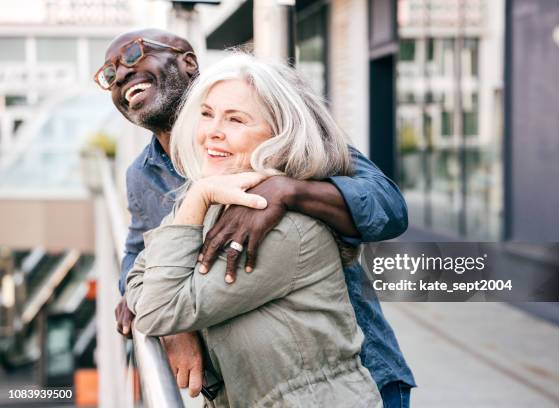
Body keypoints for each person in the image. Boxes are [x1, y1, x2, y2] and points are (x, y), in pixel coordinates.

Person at [96, 28, 415, 406]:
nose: (121, 74)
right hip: (248, 386)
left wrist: (287, 190)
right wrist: (171, 328)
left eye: (133, 55)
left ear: (188, 62)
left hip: (353, 372)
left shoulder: (283, 131)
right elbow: (138, 258)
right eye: (110, 73)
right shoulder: (143, 174)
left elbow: (388, 209)